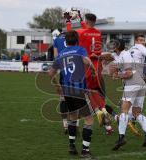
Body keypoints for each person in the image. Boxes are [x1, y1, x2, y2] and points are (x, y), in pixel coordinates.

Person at [49, 30, 96, 158]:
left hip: (67, 90)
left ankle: (71, 145)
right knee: (89, 119)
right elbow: (87, 61)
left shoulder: (61, 54)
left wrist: (57, 85)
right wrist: (92, 70)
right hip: (79, 89)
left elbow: (50, 73)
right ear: (77, 40)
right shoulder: (80, 50)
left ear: (66, 41)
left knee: (72, 116)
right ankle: (85, 151)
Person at [66, 12, 114, 134]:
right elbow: (88, 29)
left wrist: (69, 21)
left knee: (82, 98)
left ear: (86, 21)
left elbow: (69, 36)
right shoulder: (98, 32)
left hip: (85, 67)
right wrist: (80, 17)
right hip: (97, 68)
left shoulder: (80, 32)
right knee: (99, 97)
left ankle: (94, 114)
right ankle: (108, 126)